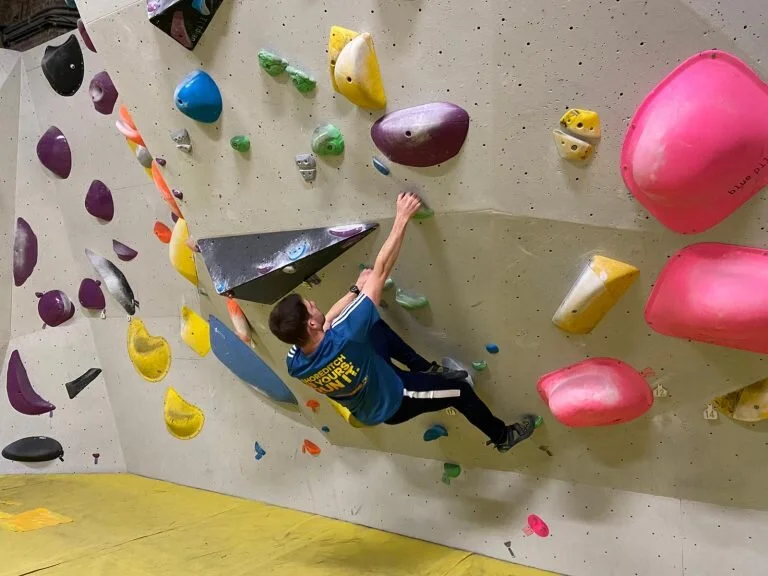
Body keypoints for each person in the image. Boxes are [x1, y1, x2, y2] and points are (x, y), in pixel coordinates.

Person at [269, 192, 536, 452]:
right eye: (309, 307)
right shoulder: (347, 335)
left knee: (372, 326)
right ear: (309, 326)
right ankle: (502, 437)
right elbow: (382, 269)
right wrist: (401, 217)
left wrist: (355, 289)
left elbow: (327, 322)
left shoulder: (295, 361)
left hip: (368, 378)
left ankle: (424, 368)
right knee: (460, 391)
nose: (315, 305)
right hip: (396, 399)